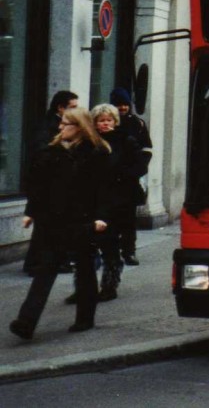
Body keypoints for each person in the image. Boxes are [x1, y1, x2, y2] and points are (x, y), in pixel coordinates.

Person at [10, 107, 111, 340]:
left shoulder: (96, 153)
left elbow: (104, 190)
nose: (60, 127)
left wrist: (101, 217)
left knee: (85, 269)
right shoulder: (51, 152)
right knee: (46, 270)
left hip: (82, 221)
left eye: (66, 123)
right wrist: (31, 211)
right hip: (54, 222)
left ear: (79, 127)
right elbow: (38, 186)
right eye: (62, 123)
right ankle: (26, 322)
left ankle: (85, 318)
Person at [24, 90, 79, 276]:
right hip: (46, 181)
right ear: (60, 108)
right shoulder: (48, 126)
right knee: (44, 226)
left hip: (57, 182)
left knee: (56, 225)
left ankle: (57, 261)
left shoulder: (59, 124)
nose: (75, 111)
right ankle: (34, 264)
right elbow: (41, 153)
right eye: (72, 107)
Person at [91, 103, 141, 300]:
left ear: (115, 121)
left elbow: (139, 166)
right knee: (88, 245)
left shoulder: (125, 140)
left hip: (119, 200)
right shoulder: (91, 141)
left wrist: (121, 177)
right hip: (95, 199)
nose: (105, 124)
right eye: (101, 120)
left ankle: (109, 286)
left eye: (108, 120)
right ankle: (83, 288)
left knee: (110, 243)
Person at [108, 88, 152, 266]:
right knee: (110, 219)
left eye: (125, 104)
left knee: (128, 220)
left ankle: (128, 251)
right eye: (119, 104)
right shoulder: (107, 122)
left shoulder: (137, 124)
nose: (123, 107)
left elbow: (147, 150)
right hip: (110, 182)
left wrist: (137, 170)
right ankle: (111, 252)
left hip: (129, 181)